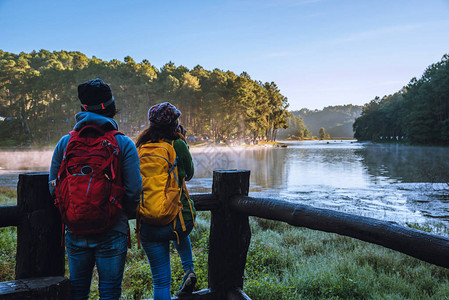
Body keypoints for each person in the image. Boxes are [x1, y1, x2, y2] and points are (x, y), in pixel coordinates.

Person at [49, 78, 142, 300]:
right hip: (112, 229)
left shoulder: (65, 143)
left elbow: (53, 187)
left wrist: (73, 208)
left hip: (75, 228)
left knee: (78, 291)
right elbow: (134, 191)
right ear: (111, 108)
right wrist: (117, 211)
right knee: (109, 292)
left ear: (82, 108)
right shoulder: (123, 143)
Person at [136, 102, 196, 300]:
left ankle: (187, 272)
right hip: (176, 221)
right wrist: (183, 142)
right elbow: (190, 174)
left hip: (148, 223)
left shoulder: (141, 146)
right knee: (180, 231)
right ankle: (188, 269)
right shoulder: (177, 144)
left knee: (161, 282)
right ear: (175, 122)